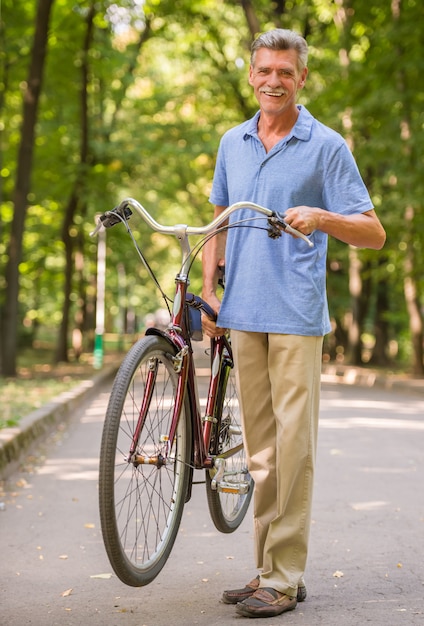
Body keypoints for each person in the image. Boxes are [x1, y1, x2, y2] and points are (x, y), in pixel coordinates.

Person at [201, 28, 386, 619]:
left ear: (301, 78)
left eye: (286, 71)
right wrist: (209, 293)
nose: (273, 81)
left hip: (296, 317)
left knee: (293, 449)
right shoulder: (232, 141)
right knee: (261, 454)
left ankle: (282, 576)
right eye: (265, 70)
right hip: (241, 314)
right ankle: (271, 572)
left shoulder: (326, 145)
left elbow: (374, 234)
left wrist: (323, 216)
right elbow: (219, 220)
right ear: (251, 75)